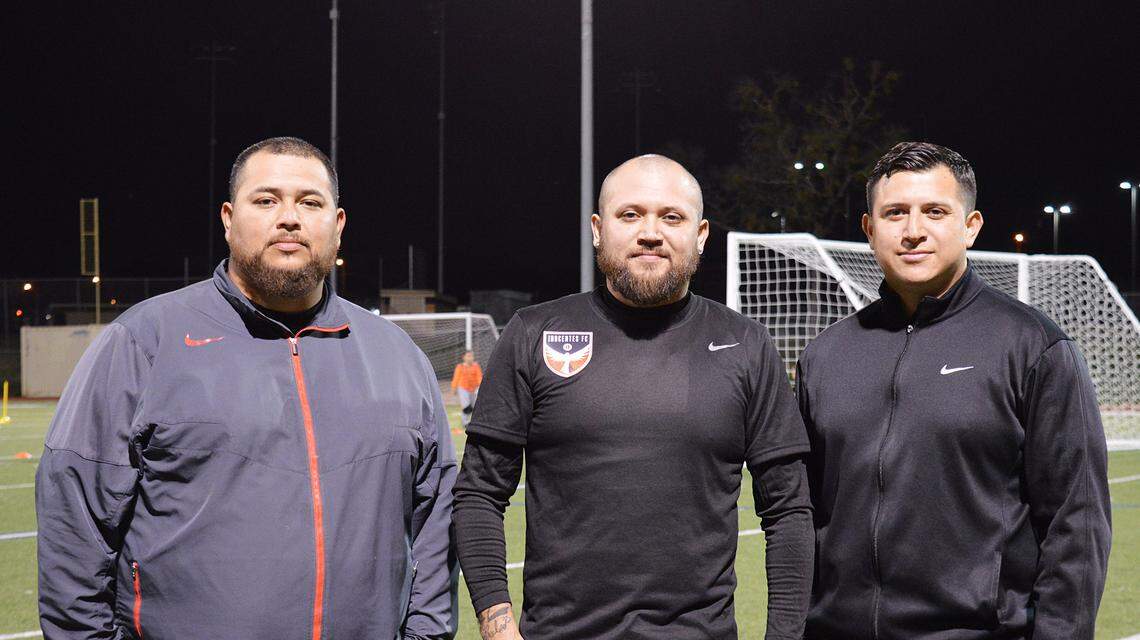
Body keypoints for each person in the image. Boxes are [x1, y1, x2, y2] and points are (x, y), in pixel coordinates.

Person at [35, 137, 458, 639]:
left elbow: (435, 524)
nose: (289, 218)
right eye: (266, 200)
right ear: (228, 219)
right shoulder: (145, 341)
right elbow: (75, 526)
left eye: (310, 202)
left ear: (337, 226)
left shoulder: (399, 356)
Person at [453, 154, 814, 640]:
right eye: (630, 215)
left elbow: (788, 509)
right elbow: (479, 493)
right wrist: (498, 627)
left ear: (701, 234)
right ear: (599, 229)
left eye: (671, 216)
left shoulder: (746, 344)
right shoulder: (533, 334)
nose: (650, 232)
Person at [797, 142, 1111, 639]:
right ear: (869, 229)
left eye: (935, 212)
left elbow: (1077, 523)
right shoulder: (825, 356)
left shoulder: (1033, 346)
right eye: (895, 212)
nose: (914, 230)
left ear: (971, 226)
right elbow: (805, 515)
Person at [451, 350, 483, 427]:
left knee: (473, 406)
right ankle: (465, 423)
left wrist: (480, 387)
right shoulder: (460, 367)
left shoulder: (476, 366)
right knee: (466, 405)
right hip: (463, 388)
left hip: (473, 389)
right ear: (464, 357)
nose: (470, 358)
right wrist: (454, 388)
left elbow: (479, 377)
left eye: (472, 356)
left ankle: (473, 422)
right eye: (468, 356)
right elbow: (456, 378)